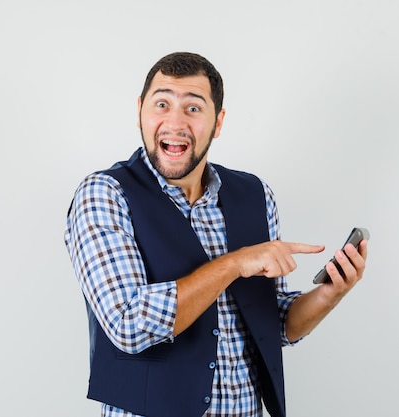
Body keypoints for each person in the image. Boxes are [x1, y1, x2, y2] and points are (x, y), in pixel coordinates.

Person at [64, 51, 368, 417]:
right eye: (162, 104)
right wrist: (235, 263)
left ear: (218, 122)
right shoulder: (104, 194)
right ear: (141, 110)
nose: (174, 122)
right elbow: (128, 324)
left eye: (193, 109)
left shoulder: (255, 194)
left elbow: (274, 324)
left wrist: (329, 293)